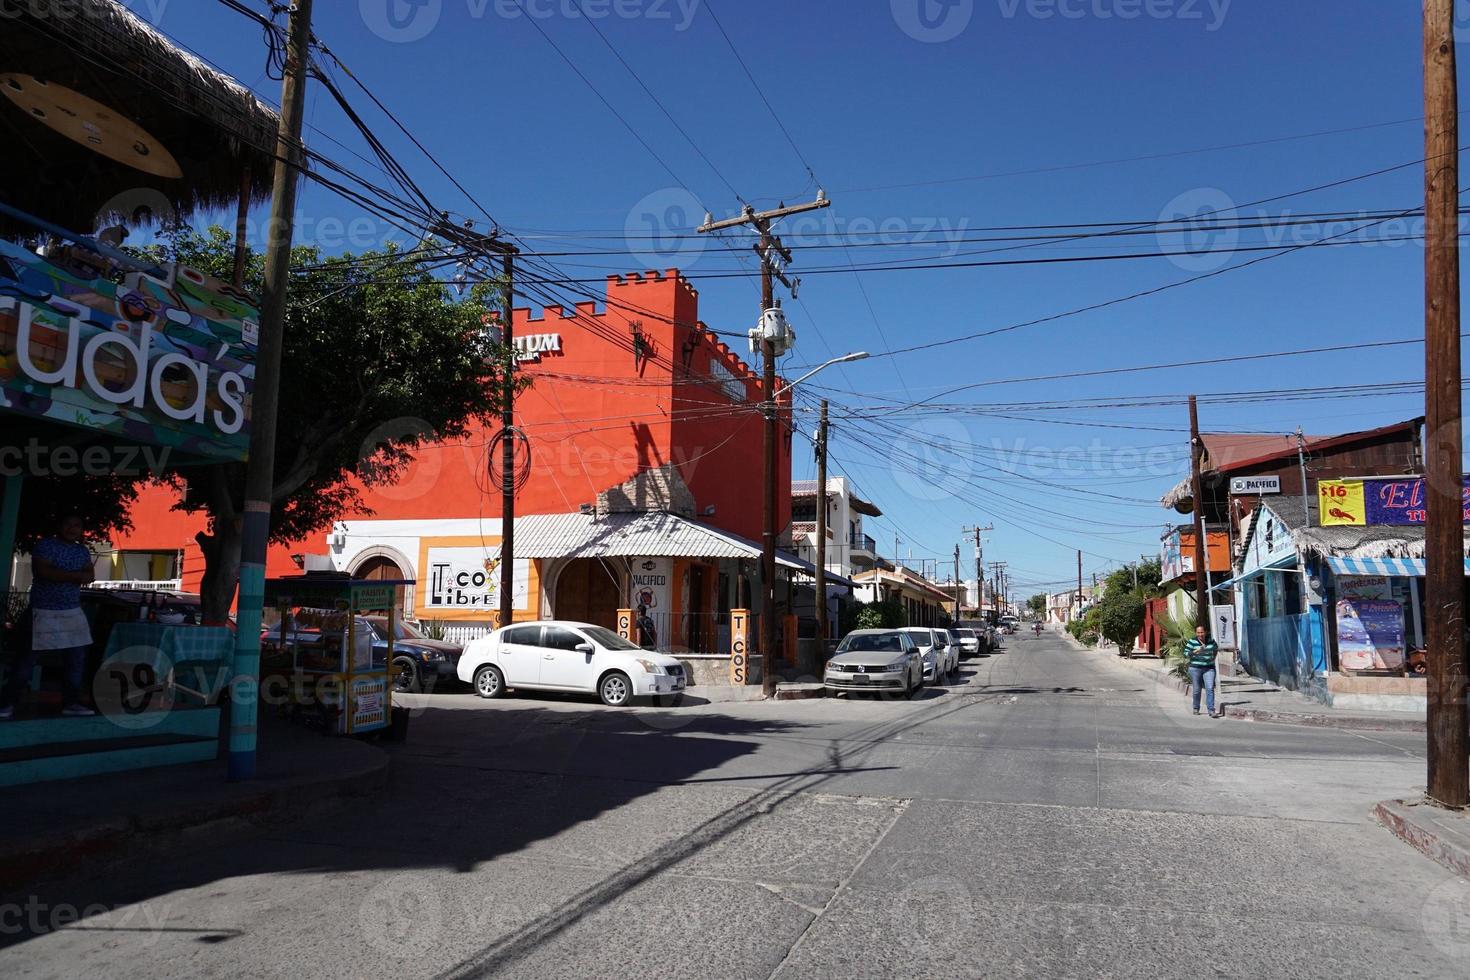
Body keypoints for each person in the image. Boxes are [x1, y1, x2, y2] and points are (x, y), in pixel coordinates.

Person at [0, 515, 98, 719]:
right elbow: (44, 572)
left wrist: (64, 574)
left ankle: (71, 702)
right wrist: (75, 576)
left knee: (76, 660)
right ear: (60, 526)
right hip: (43, 610)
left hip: (72, 611)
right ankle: (7, 702)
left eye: (77, 525)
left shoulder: (82, 550)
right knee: (27, 661)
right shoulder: (45, 545)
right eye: (68, 524)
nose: (72, 528)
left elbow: (90, 576)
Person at [1185, 625, 1222, 718]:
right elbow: (1186, 653)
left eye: (1202, 632)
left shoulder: (1211, 641)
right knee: (1197, 689)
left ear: (1205, 632)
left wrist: (1213, 658)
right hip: (1195, 668)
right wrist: (1195, 651)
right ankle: (1196, 707)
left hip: (1209, 668)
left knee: (1209, 688)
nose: (1200, 634)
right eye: (1198, 632)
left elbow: (1215, 648)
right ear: (1196, 633)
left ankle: (1211, 710)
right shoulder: (1192, 641)